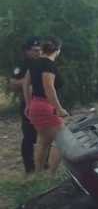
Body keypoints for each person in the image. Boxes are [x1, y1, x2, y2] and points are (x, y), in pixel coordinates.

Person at [24, 37, 68, 175]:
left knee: (43, 141)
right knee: (63, 141)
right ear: (58, 50)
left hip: (35, 104)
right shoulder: (49, 65)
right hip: (46, 106)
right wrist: (59, 108)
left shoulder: (34, 63)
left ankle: (38, 174)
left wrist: (28, 104)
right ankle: (52, 176)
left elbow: (26, 84)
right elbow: (48, 87)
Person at [9, 37, 42, 174]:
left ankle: (44, 163)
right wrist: (29, 81)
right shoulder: (22, 65)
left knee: (45, 134)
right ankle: (29, 167)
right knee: (29, 136)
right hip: (28, 103)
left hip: (44, 102)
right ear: (27, 51)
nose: (38, 53)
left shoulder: (43, 63)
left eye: (39, 50)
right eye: (34, 50)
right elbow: (12, 84)